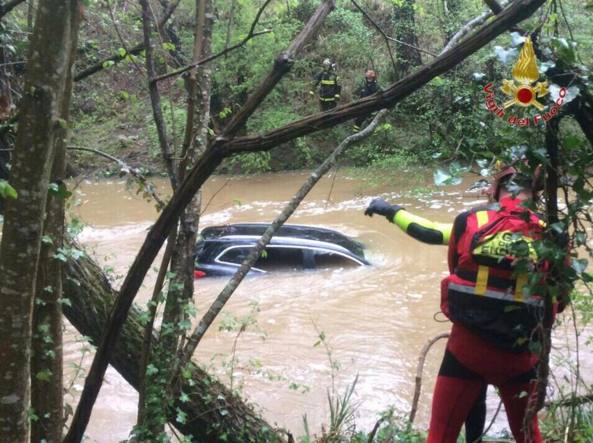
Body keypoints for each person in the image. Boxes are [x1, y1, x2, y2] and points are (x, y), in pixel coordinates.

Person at [367, 163, 567, 442]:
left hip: (467, 350)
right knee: (529, 436)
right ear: (533, 191)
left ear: (496, 188)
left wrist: (388, 209)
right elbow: (558, 300)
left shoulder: (471, 221)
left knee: (441, 435)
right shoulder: (551, 233)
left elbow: (432, 238)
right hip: (520, 355)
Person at [364, 196, 486, 443]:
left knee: (442, 430)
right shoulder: (542, 229)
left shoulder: (478, 226)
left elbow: (427, 231)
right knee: (525, 427)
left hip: (472, 339)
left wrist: (390, 210)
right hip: (522, 345)